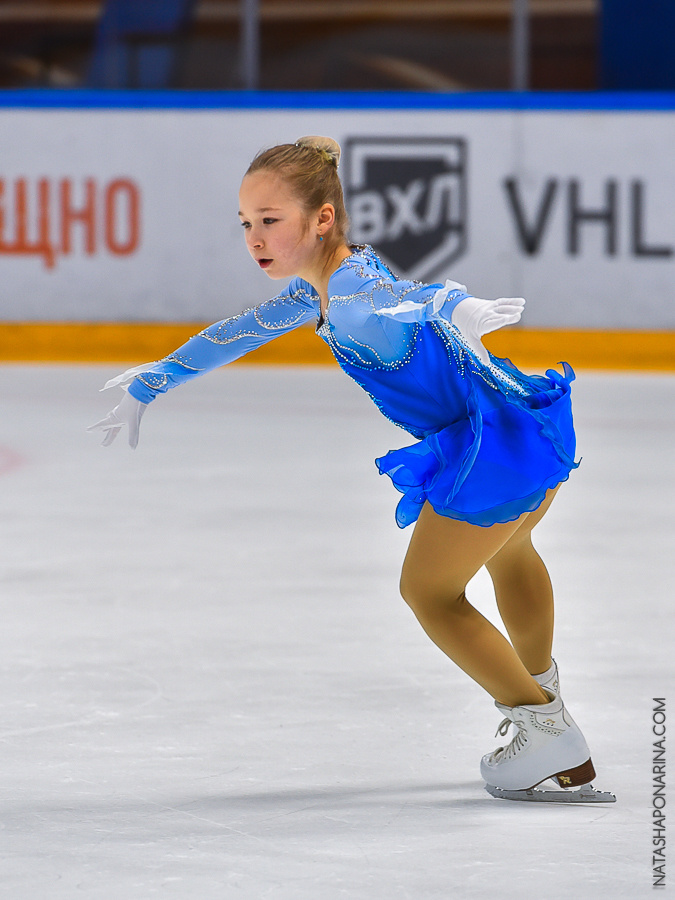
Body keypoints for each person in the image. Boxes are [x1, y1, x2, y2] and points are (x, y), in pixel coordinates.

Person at [89, 135, 613, 802]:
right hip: (516, 427)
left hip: (491, 449)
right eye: (246, 223)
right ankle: (547, 710)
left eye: (270, 221)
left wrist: (458, 307)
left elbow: (404, 299)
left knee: (428, 594)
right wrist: (154, 381)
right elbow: (240, 330)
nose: (255, 237)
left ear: (322, 219)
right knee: (511, 553)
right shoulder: (322, 290)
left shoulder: (353, 289)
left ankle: (544, 729)